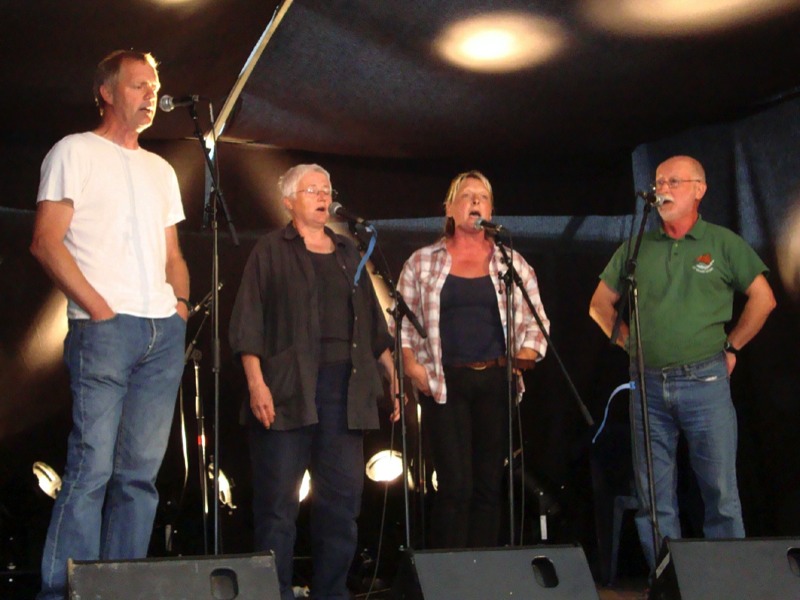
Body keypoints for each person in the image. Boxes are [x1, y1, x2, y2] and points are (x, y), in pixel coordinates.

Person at [30, 50, 189, 600]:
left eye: (155, 84)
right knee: (91, 468)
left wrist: (181, 305)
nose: (150, 94)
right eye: (139, 84)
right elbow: (46, 242)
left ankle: (121, 590)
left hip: (161, 331)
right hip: (105, 329)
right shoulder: (74, 151)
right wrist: (98, 308)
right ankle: (62, 590)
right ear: (107, 91)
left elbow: (173, 253)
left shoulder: (161, 169)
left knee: (139, 475)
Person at [589, 155, 776, 569]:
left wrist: (733, 348)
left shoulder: (722, 243)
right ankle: (667, 584)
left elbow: (764, 298)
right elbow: (599, 305)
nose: (663, 189)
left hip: (704, 380)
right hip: (647, 385)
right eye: (658, 182)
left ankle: (727, 584)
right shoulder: (637, 247)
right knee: (654, 500)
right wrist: (631, 345)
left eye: (674, 181)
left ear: (699, 189)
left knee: (720, 494)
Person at [228, 164, 398, 600]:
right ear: (289, 201)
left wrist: (392, 374)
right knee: (278, 508)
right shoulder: (270, 251)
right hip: (287, 390)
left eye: (327, 190)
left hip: (346, 391)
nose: (323, 197)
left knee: (341, 507)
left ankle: (331, 593)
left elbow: (375, 327)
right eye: (312, 190)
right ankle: (274, 593)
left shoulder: (347, 251)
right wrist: (256, 383)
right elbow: (247, 324)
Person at [395, 170, 549, 548]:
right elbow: (399, 323)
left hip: (496, 383)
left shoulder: (510, 263)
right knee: (455, 486)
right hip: (445, 384)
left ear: (492, 209)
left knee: (487, 486)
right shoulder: (422, 262)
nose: (475, 202)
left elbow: (536, 320)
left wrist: (522, 359)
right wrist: (413, 369)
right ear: (448, 208)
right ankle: (449, 577)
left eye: (482, 197)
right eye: (466, 196)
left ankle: (483, 574)